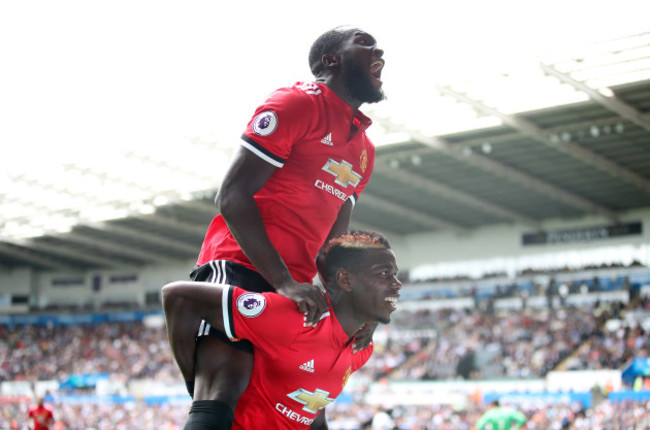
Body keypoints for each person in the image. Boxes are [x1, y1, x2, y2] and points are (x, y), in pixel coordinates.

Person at [169, 25, 387, 424]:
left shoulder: (364, 151)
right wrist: (283, 281)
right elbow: (232, 196)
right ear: (330, 60)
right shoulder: (296, 104)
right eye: (364, 43)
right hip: (239, 263)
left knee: (308, 411)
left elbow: (335, 242)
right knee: (226, 383)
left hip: (299, 283)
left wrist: (352, 305)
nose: (380, 51)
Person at [163, 230, 401, 429]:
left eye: (395, 275)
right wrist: (191, 379)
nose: (397, 284)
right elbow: (177, 296)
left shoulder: (361, 349)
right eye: (384, 273)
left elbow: (312, 411)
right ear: (346, 280)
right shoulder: (294, 318)